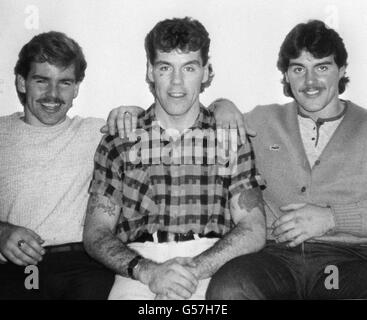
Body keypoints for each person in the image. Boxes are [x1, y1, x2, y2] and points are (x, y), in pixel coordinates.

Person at [83, 16, 266, 300]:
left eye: (189, 68)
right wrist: (151, 272)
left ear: (206, 73)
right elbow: (96, 234)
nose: (176, 83)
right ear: (150, 71)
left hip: (213, 265)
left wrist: (190, 271)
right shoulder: (119, 140)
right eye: (165, 67)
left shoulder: (229, 136)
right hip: (138, 267)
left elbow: (253, 228)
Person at [204, 20, 367, 299]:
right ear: (287, 75)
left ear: (342, 70)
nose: (310, 81)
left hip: (347, 260)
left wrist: (332, 218)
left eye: (322, 67)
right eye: (299, 69)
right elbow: (198, 133)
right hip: (275, 259)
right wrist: (219, 105)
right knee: (229, 290)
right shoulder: (262, 120)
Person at [0, 31, 133, 299]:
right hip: (22, 267)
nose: (53, 94)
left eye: (64, 83)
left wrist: (223, 106)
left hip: (84, 266)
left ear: (76, 88)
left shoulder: (97, 132)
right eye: (41, 81)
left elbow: (164, 121)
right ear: (22, 82)